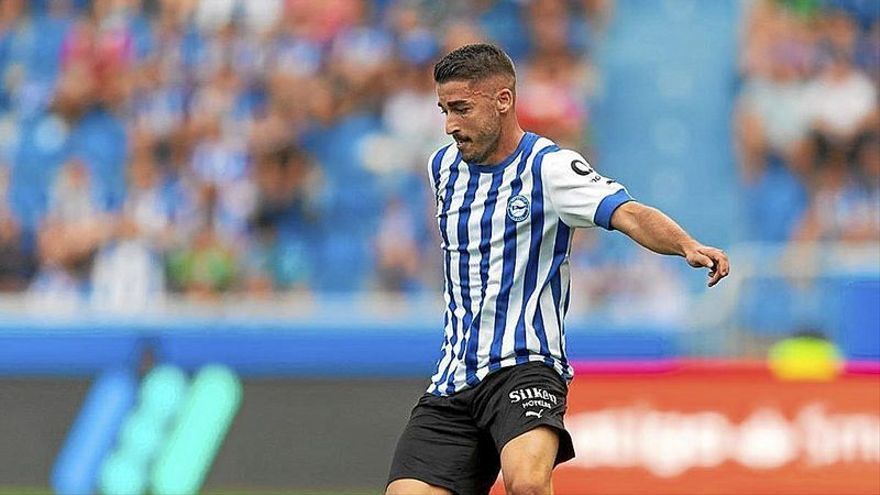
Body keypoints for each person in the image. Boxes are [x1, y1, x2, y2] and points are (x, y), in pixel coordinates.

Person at [385, 44, 730, 495]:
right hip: (454, 376)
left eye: (462, 109)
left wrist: (686, 244)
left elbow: (628, 213)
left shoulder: (550, 167)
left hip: (525, 367)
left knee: (527, 483)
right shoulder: (442, 168)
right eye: (444, 110)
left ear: (503, 101)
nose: (450, 125)